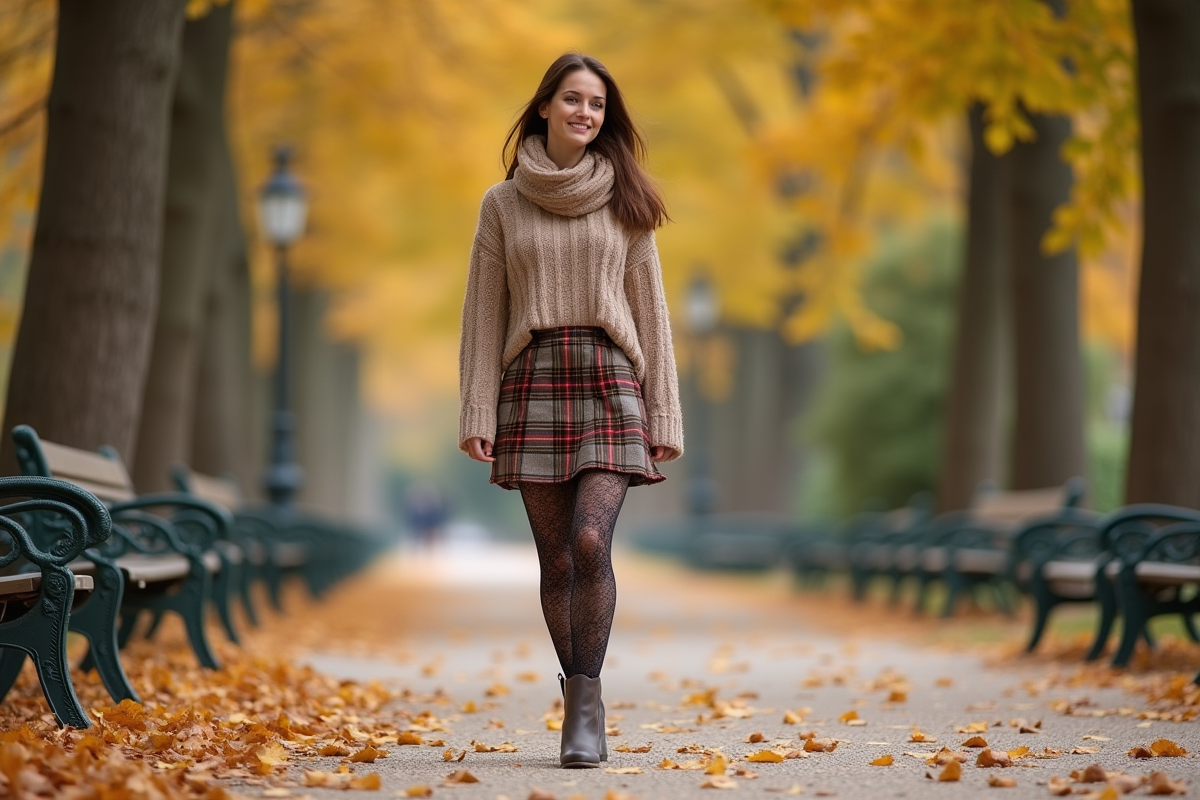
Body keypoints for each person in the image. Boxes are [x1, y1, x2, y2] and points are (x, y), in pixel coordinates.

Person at [458, 52, 683, 769]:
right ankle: (575, 705)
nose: (586, 113)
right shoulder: (502, 203)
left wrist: (665, 416)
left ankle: (588, 702)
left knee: (590, 543)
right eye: (573, 100)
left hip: (611, 379)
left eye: (597, 104)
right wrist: (477, 409)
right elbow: (483, 314)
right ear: (546, 107)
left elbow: (653, 312)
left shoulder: (627, 198)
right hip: (533, 380)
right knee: (556, 559)